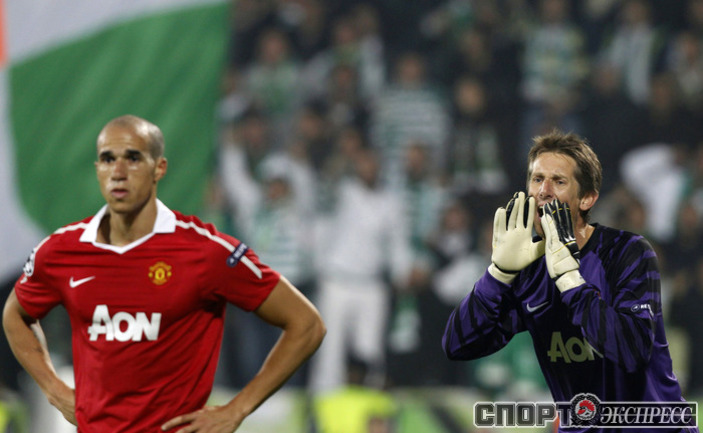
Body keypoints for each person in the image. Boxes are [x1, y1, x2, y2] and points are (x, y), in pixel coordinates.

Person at [2, 115, 326, 433]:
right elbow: (15, 315)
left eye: (133, 158)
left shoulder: (205, 251)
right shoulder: (61, 250)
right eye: (108, 159)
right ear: (98, 168)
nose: (118, 172)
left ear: (159, 168)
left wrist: (237, 409)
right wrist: (55, 391)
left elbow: (307, 324)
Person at [442, 129, 698, 432]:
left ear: (587, 198)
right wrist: (497, 275)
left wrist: (569, 280)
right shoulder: (530, 274)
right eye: (537, 179)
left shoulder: (627, 253)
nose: (544, 191)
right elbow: (458, 345)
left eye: (559, 181)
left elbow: (632, 352)